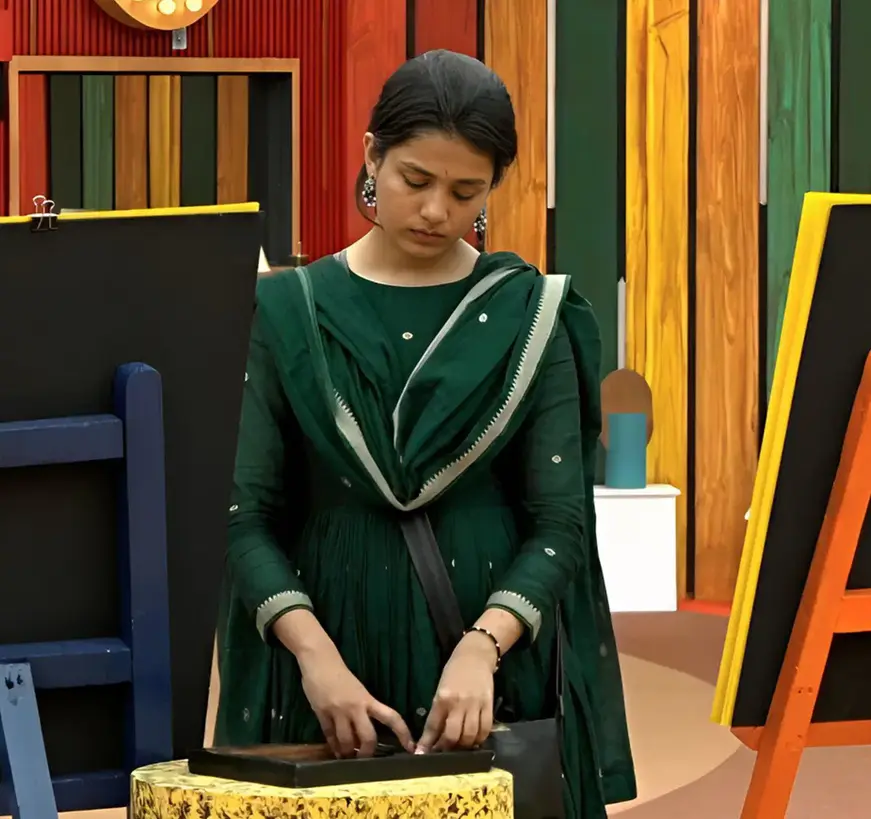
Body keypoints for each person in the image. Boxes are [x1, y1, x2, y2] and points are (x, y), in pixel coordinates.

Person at [215, 49, 636, 818]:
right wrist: (315, 659)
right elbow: (245, 513)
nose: (437, 210)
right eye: (415, 179)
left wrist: (484, 645)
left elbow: (560, 520)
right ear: (372, 154)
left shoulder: (530, 315)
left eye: (465, 190)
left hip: (490, 677)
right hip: (326, 672)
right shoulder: (286, 313)